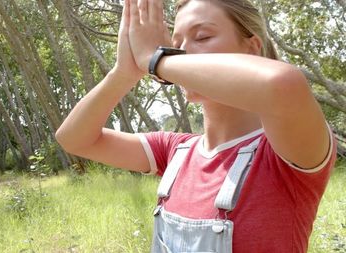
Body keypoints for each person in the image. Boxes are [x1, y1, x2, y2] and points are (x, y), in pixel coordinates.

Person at [55, 0, 337, 252]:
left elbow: (281, 84)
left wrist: (154, 61)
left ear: (252, 47)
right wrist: (124, 72)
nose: (183, 52)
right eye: (176, 45)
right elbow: (74, 139)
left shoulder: (283, 155)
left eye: (202, 36)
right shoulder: (175, 151)